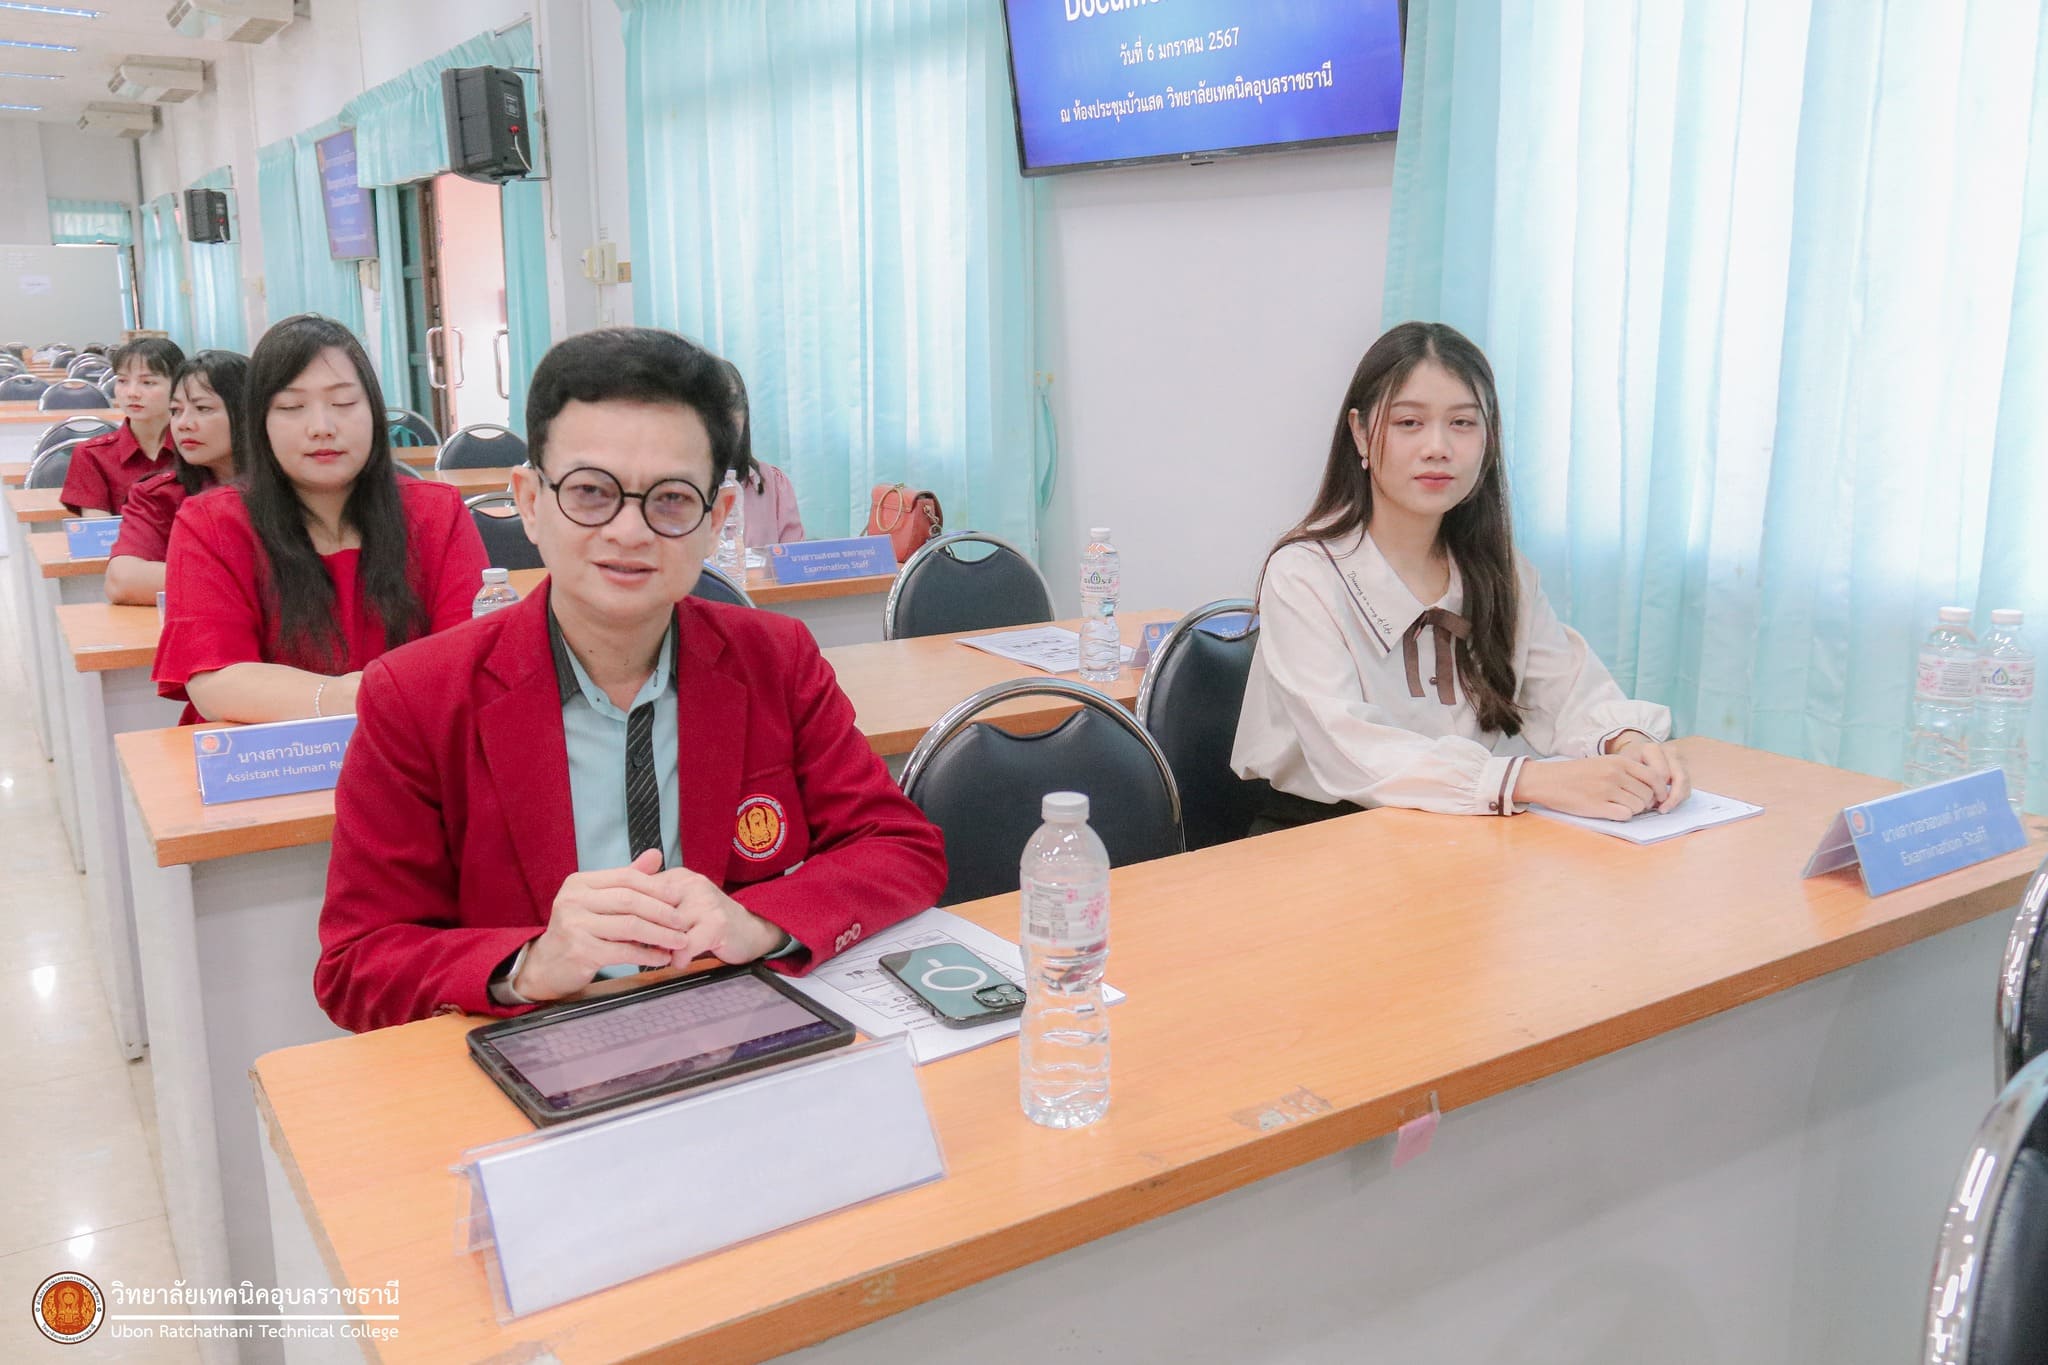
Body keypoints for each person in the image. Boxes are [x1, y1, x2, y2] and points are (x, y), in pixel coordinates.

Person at [314, 328, 946, 1033]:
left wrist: (757, 921)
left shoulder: (774, 658)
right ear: (529, 501)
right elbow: (357, 962)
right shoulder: (418, 695)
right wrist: (526, 964)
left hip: (739, 1038)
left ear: (716, 520)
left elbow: (900, 848)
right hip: (539, 1049)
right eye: (590, 492)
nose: (629, 531)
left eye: (671, 499)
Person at [1232, 321, 1687, 829]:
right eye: (1409, 422)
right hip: (1320, 836)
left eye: (1463, 423)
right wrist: (1529, 781)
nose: (1438, 447)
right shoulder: (1305, 573)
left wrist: (1630, 744)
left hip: (1458, 830)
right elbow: (1351, 749)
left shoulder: (1497, 570)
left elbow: (1568, 692)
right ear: (1360, 432)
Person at [153, 314, 488, 726]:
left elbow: (468, 658)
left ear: (374, 412)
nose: (322, 428)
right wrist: (350, 696)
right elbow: (217, 683)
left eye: (344, 404)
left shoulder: (436, 512)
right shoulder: (211, 522)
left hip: (414, 748)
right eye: (292, 407)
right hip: (270, 755)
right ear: (259, 424)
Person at [105, 350, 248, 606]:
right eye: (175, 411)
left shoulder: (295, 486)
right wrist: (248, 579)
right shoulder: (159, 494)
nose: (183, 424)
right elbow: (122, 581)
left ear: (248, 414)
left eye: (203, 408)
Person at [58, 337, 184, 515]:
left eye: (147, 382)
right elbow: (98, 528)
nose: (132, 393)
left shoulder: (199, 448)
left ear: (178, 386)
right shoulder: (92, 455)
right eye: (123, 381)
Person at [715, 356, 805, 546]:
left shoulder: (772, 483)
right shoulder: (676, 489)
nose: (725, 416)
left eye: (733, 404)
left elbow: (794, 560)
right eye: (713, 406)